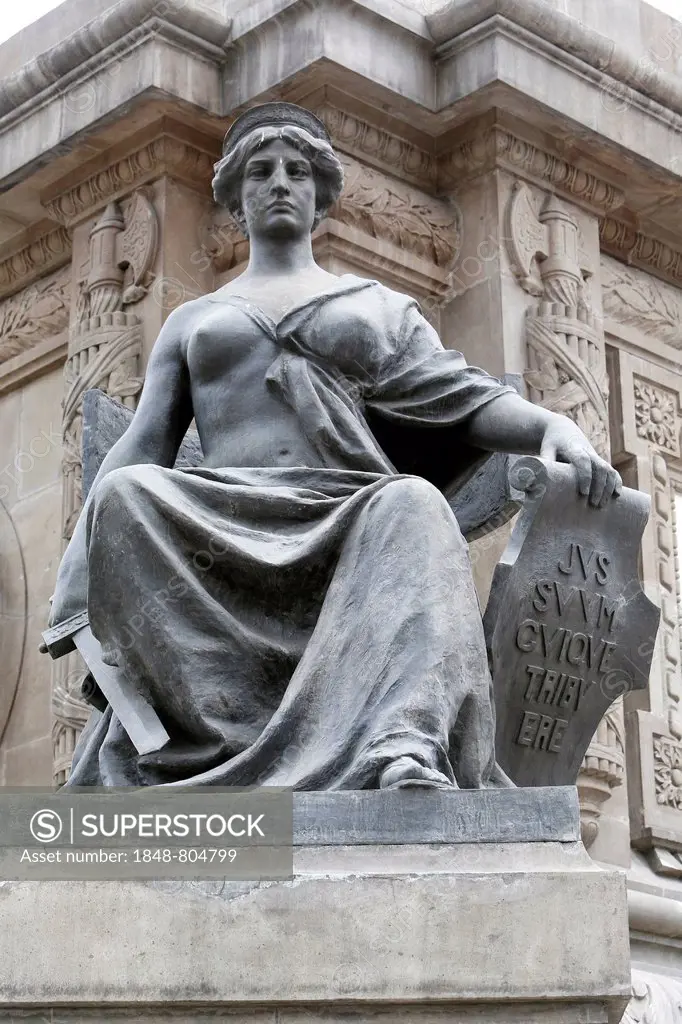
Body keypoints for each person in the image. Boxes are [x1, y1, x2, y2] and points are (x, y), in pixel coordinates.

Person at [47, 102, 621, 789]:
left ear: (322, 195)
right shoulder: (193, 320)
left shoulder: (373, 306)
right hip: (223, 516)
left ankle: (402, 747)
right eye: (261, 171)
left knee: (413, 503)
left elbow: (464, 397)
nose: (280, 182)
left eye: (297, 170)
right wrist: (83, 558)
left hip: (345, 508)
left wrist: (551, 427)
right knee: (124, 494)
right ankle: (205, 740)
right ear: (236, 198)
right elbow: (144, 444)